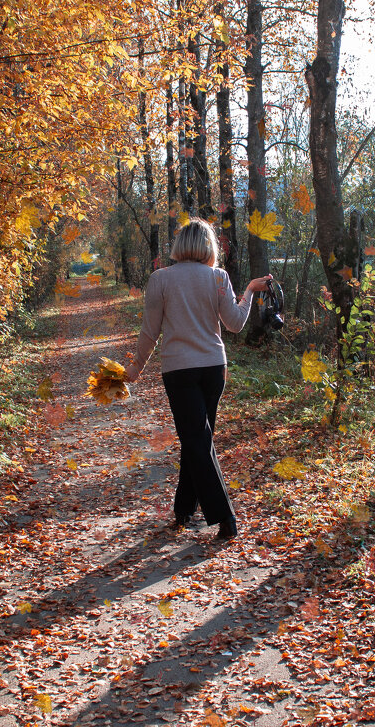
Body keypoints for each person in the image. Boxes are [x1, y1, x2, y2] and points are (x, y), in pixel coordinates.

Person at [124, 218, 272, 541]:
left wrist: (136, 367)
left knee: (197, 441)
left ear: (180, 245)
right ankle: (184, 510)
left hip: (180, 372)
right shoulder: (218, 278)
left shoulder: (160, 279)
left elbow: (150, 332)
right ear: (209, 246)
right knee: (198, 440)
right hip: (213, 370)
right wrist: (248, 291)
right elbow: (234, 323)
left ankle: (225, 518)